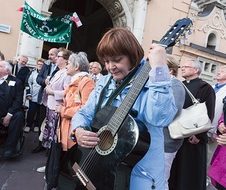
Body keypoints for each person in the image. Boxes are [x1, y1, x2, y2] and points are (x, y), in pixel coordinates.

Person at [70, 27, 177, 189]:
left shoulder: (155, 80)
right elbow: (85, 112)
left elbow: (161, 118)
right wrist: (78, 130)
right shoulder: (105, 82)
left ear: (132, 56)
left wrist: (160, 69)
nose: (110, 66)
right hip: (99, 166)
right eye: (106, 61)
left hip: (141, 173)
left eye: (117, 60)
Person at [169, 59, 216, 190]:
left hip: (193, 137)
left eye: (186, 67)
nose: (182, 68)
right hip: (177, 133)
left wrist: (198, 135)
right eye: (182, 67)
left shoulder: (205, 87)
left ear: (196, 70)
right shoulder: (179, 85)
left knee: (189, 171)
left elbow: (208, 112)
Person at [39, 48, 72, 176]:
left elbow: (68, 93)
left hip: (57, 108)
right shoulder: (58, 72)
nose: (56, 58)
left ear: (66, 60)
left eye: (59, 56)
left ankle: (52, 167)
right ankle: (49, 165)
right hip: (50, 107)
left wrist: (52, 92)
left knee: (55, 139)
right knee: (50, 138)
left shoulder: (67, 74)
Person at [55, 52, 95, 152]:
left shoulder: (86, 82)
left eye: (68, 64)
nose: (66, 66)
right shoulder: (76, 80)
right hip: (67, 128)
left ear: (76, 66)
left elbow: (86, 109)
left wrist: (63, 110)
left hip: (74, 130)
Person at [206, 65, 226, 186]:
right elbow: (224, 114)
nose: (218, 72)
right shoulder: (212, 88)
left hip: (220, 135)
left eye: (222, 71)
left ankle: (206, 179)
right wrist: (221, 123)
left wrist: (217, 131)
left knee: (209, 157)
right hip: (207, 128)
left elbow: (222, 112)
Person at [163, 55, 185, 190]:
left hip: (167, 141)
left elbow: (172, 112)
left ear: (170, 70)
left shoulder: (175, 85)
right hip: (155, 139)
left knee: (161, 178)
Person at [32, 48, 59, 154]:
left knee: (51, 124)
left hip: (54, 100)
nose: (49, 56)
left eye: (52, 54)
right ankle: (40, 144)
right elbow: (38, 79)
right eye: (49, 54)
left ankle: (49, 147)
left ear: (57, 56)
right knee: (40, 122)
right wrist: (44, 81)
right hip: (43, 98)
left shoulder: (61, 68)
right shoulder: (46, 65)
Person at [24, 58, 46, 133]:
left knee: (40, 112)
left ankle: (37, 125)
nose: (40, 66)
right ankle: (28, 125)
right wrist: (28, 93)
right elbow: (28, 83)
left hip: (42, 97)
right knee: (31, 111)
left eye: (41, 65)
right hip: (33, 95)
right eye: (38, 64)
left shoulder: (46, 73)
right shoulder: (32, 73)